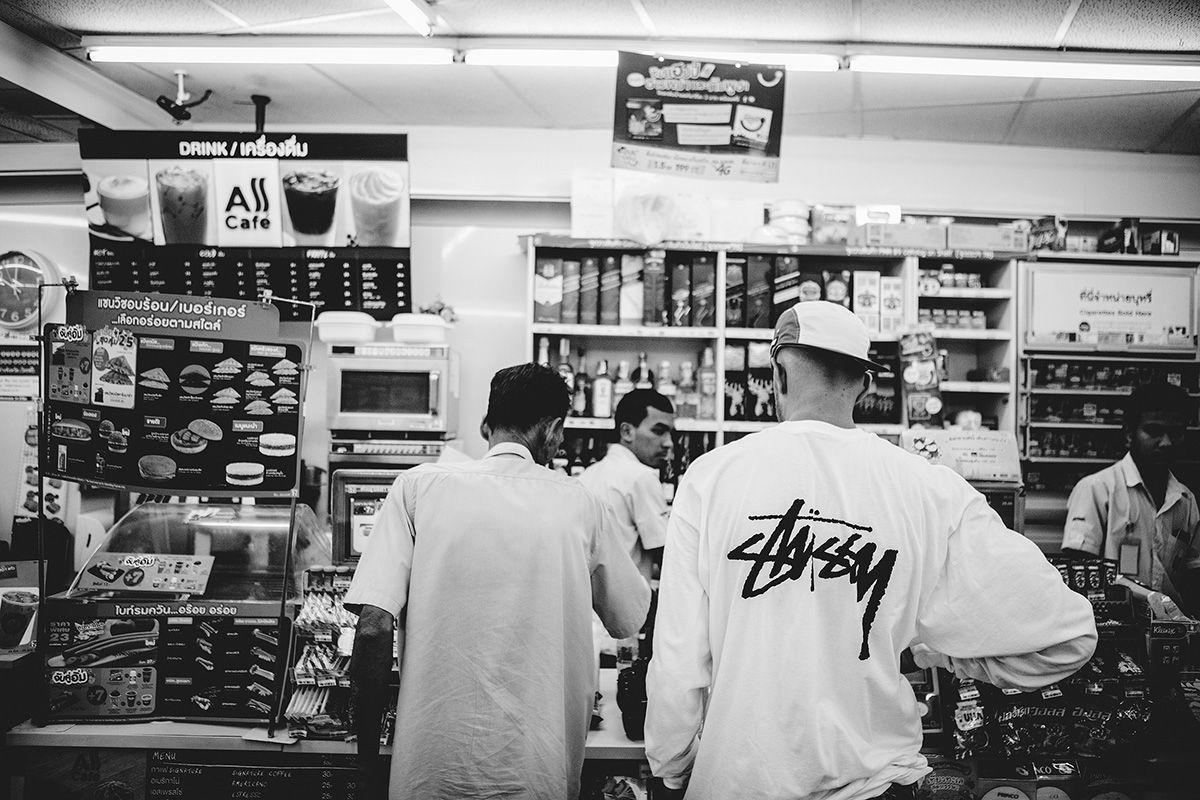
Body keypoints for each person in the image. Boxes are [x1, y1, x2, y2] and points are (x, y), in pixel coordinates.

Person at [645, 301, 1098, 800]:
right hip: (872, 785)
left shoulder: (711, 478)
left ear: (778, 373)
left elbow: (677, 659)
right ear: (864, 384)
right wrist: (936, 653)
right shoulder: (926, 488)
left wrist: (673, 765)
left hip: (739, 782)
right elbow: (1068, 637)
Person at [345, 363, 650, 800]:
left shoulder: (416, 488)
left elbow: (373, 628)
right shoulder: (580, 502)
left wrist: (367, 765)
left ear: (487, 423)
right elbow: (627, 618)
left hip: (430, 771)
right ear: (552, 430)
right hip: (535, 770)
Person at [1061, 380, 1200, 615]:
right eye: (1154, 431)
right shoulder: (1097, 489)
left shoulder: (1185, 500)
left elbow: (1193, 576)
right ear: (1128, 435)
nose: (1166, 443)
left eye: (1176, 433)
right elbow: (1079, 572)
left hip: (1171, 626)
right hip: (1110, 622)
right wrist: (1149, 597)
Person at [578, 388, 676, 585]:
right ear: (626, 431)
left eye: (670, 433)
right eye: (658, 431)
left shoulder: (587, 475)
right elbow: (668, 558)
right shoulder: (641, 477)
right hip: (628, 600)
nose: (668, 443)